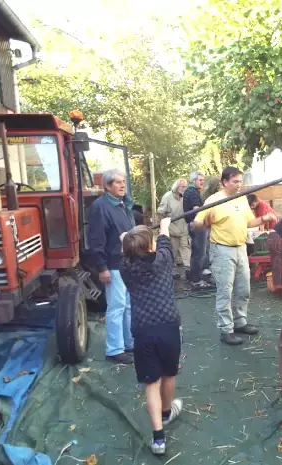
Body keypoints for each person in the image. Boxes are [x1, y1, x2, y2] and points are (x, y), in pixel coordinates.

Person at [119, 218, 183, 455]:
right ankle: (166, 412)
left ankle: (158, 438)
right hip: (167, 326)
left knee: (151, 382)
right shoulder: (163, 261)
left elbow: (124, 250)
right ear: (150, 247)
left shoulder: (126, 267)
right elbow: (165, 243)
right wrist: (164, 225)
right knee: (168, 373)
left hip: (143, 330)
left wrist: (128, 237)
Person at [193, 166, 277, 345]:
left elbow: (248, 222)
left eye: (240, 181)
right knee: (225, 291)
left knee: (243, 289)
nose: (239, 185)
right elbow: (197, 223)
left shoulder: (241, 199)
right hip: (222, 249)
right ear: (224, 182)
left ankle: (240, 322)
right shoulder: (213, 200)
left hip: (241, 248)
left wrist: (263, 219)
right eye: (235, 181)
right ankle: (226, 329)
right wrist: (205, 222)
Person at [88, 168, 135, 364]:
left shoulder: (122, 204)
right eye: (117, 182)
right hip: (113, 265)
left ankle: (129, 342)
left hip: (126, 263)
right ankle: (115, 349)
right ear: (107, 186)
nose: (122, 185)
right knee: (116, 307)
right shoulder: (101, 206)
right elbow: (96, 240)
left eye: (123, 181)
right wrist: (102, 267)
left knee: (128, 306)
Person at [183, 171, 212, 289]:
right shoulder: (193, 192)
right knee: (199, 253)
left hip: (192, 224)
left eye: (203, 180)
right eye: (200, 180)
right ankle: (196, 281)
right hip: (197, 225)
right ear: (193, 181)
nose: (202, 182)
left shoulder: (190, 191)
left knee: (197, 252)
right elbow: (197, 210)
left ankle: (196, 277)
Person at [157, 179, 191, 271]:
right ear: (176, 187)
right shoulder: (167, 197)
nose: (184, 188)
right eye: (182, 186)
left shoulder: (186, 197)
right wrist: (162, 227)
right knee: (173, 251)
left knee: (186, 248)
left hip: (183, 228)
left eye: (186, 186)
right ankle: (172, 270)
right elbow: (160, 213)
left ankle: (188, 269)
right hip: (172, 229)